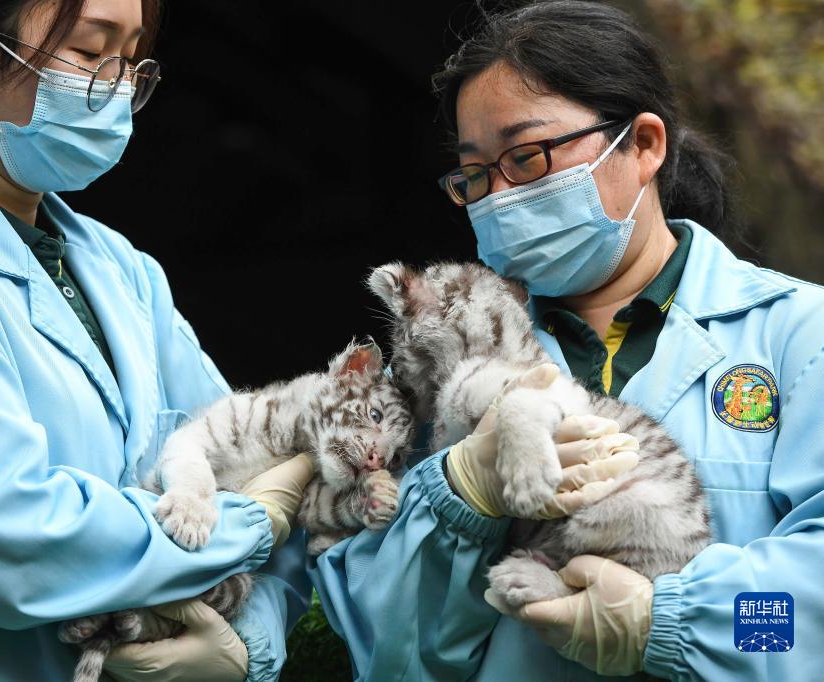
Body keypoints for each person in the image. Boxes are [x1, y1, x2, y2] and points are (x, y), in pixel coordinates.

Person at [0, 1, 318, 680]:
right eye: (86, 52)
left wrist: (248, 646)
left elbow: (262, 460)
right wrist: (246, 524)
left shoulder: (124, 271)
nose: (118, 87)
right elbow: (8, 536)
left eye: (130, 60)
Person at [309, 2, 824, 680]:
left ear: (642, 144)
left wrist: (666, 621)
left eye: (525, 157)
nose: (498, 197)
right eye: (476, 175)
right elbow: (389, 652)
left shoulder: (797, 335)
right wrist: (462, 497)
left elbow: (811, 621)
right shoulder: (440, 377)